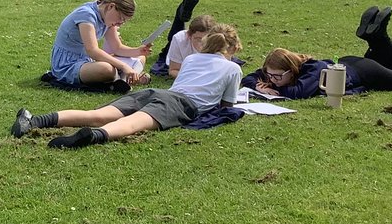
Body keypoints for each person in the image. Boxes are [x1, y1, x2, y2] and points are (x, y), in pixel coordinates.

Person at [14, 24, 244, 147]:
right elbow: (227, 104)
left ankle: (35, 119)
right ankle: (95, 136)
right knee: (132, 124)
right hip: (183, 105)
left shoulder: (192, 59)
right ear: (231, 50)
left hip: (159, 92)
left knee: (98, 113)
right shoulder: (233, 69)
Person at [242, 6, 392, 98]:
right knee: (384, 59)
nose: (272, 80)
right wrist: (259, 85)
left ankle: (381, 36)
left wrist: (272, 88)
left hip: (365, 71)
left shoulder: (314, 70)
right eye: (269, 75)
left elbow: (299, 93)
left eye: (277, 76)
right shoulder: (276, 71)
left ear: (291, 69)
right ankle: (373, 38)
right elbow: (248, 78)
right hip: (348, 62)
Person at [46, 0, 152, 90]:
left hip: (88, 61)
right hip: (69, 64)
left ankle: (123, 80)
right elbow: (92, 51)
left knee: (140, 57)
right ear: (111, 6)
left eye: (123, 21)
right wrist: (124, 66)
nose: (120, 23)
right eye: (120, 18)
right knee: (106, 69)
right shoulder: (86, 15)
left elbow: (117, 48)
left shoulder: (107, 18)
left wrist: (138, 51)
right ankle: (125, 77)